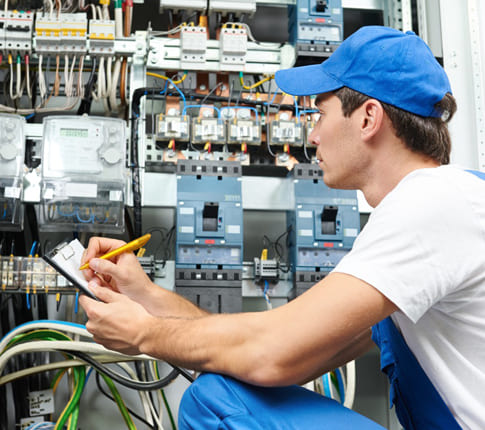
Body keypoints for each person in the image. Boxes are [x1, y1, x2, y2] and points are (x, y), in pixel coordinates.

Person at [79, 26, 485, 429]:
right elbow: (290, 355)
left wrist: (144, 335)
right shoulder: (435, 211)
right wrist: (146, 295)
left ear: (368, 118)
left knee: (216, 400)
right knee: (226, 386)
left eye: (319, 114)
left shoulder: (431, 204)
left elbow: (269, 351)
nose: (312, 135)